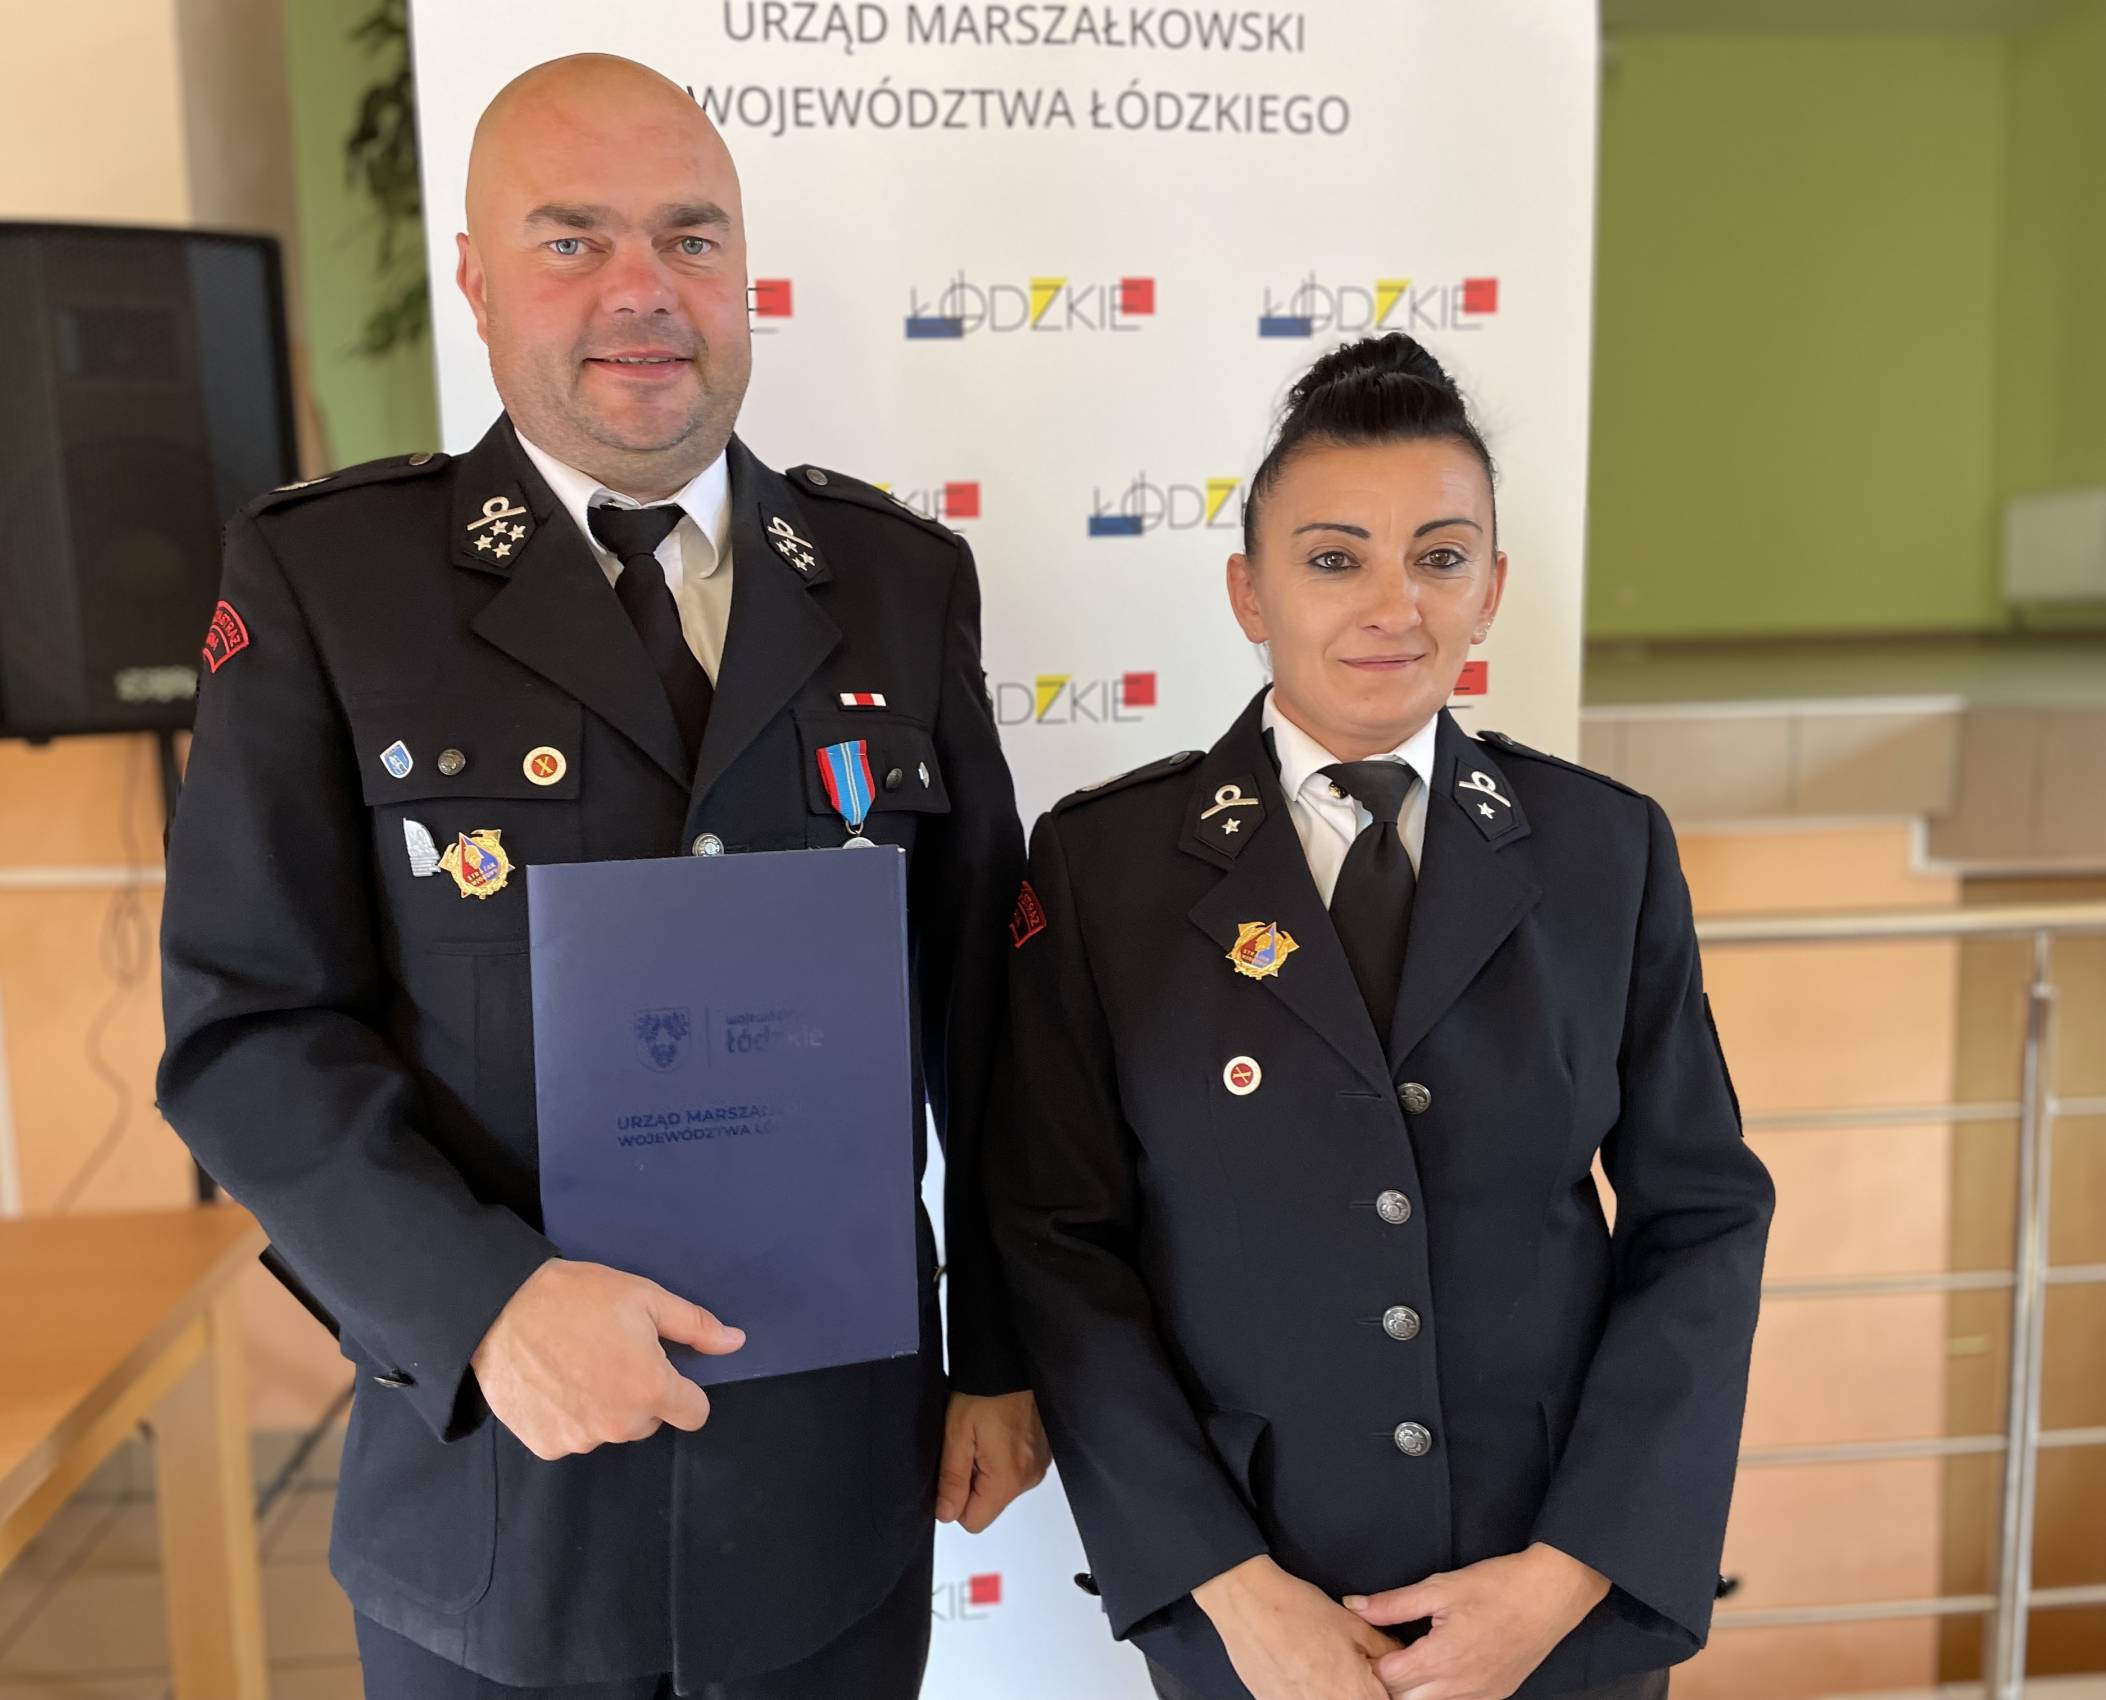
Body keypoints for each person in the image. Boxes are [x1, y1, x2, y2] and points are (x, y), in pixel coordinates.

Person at [157, 53, 1048, 1700]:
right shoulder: (330, 581)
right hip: (499, 1508)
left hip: (826, 1498)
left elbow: (990, 1017)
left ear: (743, 272)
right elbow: (248, 1030)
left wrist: (1000, 1349)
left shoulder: (895, 581)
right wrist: (482, 1305)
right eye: (571, 241)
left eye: (689, 238)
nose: (643, 291)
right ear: (477, 282)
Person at [988, 333, 1773, 1700]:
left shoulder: (1605, 851)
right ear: (1249, 590)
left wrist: (1570, 1572)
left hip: (1551, 1602)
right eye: (1334, 558)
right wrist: (1227, 1588)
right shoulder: (1104, 870)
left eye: (1440, 557)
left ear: (1492, 589)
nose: (1392, 606)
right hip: (1261, 1609)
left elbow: (1699, 1218)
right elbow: (1061, 1246)